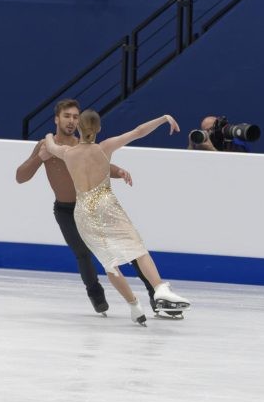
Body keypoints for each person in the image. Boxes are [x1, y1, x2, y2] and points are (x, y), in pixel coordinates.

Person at [16, 99, 163, 317]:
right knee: (82, 253)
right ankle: (96, 295)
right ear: (57, 119)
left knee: (129, 251)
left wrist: (118, 171)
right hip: (66, 210)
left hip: (92, 208)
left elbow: (99, 165)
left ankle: (155, 295)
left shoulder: (81, 145)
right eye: (67, 116)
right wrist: (39, 158)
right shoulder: (45, 146)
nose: (72, 121)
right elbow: (20, 177)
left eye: (76, 117)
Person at [44, 110, 191, 326]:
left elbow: (50, 145)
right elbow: (138, 132)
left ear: (80, 128)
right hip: (105, 204)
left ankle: (133, 305)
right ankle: (159, 287)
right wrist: (163, 119)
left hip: (83, 210)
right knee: (137, 249)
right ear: (98, 129)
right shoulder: (105, 147)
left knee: (109, 262)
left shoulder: (67, 152)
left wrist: (48, 135)